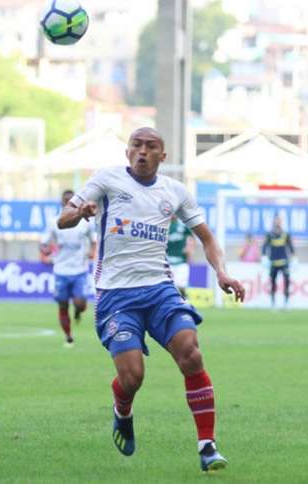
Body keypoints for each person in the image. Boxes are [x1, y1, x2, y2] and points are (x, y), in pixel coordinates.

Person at [57, 127, 245, 472]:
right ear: (127, 151)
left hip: (160, 290)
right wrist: (80, 212)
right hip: (116, 296)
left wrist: (222, 271)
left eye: (151, 146)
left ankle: (208, 446)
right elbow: (63, 218)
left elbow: (206, 236)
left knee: (190, 352)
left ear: (163, 156)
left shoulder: (175, 192)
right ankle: (122, 409)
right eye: (136, 145)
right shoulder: (107, 180)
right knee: (133, 377)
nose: (142, 151)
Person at [40, 189, 96, 348]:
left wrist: (92, 251)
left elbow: (94, 240)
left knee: (80, 304)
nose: (68, 203)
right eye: (66, 200)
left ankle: (78, 311)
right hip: (61, 270)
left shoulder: (86, 222)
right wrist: (45, 250)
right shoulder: (54, 222)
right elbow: (44, 242)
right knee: (63, 305)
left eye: (71, 200)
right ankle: (68, 336)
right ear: (62, 203)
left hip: (79, 269)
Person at [261, 215, 295, 308]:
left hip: (284, 262)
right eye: (276, 220)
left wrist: (294, 257)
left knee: (287, 282)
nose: (277, 222)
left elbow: (291, 247)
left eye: (279, 220)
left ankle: (286, 302)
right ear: (273, 221)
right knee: (272, 282)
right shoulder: (269, 234)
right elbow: (264, 246)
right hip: (273, 262)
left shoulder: (286, 234)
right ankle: (273, 302)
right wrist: (264, 257)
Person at [166, 215, 195, 298]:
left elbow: (191, 239)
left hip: (181, 261)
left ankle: (182, 303)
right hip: (167, 262)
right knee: (168, 287)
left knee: (181, 286)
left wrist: (190, 251)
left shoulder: (182, 225)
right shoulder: (163, 225)